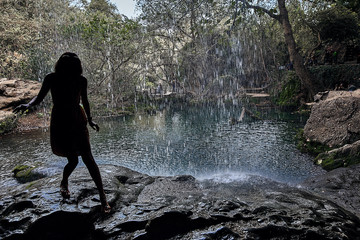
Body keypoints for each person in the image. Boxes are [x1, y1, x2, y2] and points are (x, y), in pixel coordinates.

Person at [14, 52, 111, 213]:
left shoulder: (81, 80)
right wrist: (28, 105)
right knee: (72, 160)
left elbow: (84, 101)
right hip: (61, 120)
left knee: (88, 157)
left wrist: (91, 119)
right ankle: (64, 181)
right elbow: (39, 98)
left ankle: (103, 197)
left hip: (77, 118)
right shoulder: (51, 78)